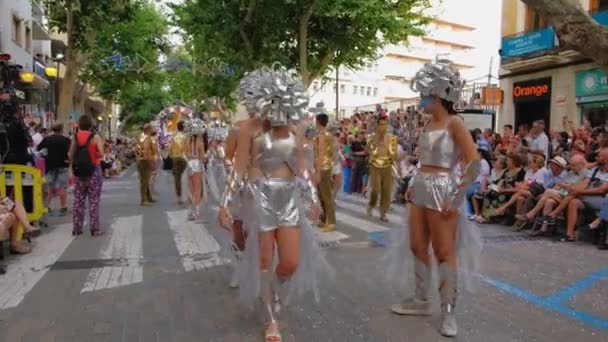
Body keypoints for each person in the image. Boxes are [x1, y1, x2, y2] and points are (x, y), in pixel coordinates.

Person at [218, 67, 328, 342]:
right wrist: (225, 204)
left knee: (290, 262)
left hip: (289, 198)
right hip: (259, 197)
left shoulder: (296, 129)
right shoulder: (248, 129)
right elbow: (239, 167)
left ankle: (271, 293)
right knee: (265, 259)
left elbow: (302, 168)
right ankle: (270, 319)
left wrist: (313, 199)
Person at [388, 59, 481, 338]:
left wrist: (457, 196)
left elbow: (474, 162)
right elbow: (423, 158)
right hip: (420, 187)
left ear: (437, 95)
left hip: (444, 189)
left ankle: (449, 312)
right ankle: (421, 300)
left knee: (443, 251)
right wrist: (413, 181)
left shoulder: (455, 124)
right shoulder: (428, 124)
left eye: (424, 94)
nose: (420, 100)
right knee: (417, 245)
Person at [69, 115, 105, 236]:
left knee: (78, 200)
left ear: (79, 125)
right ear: (90, 125)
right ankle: (94, 228)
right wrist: (93, 153)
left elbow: (70, 154)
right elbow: (101, 153)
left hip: (79, 172)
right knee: (93, 201)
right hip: (94, 170)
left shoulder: (75, 137)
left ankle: (77, 227)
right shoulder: (95, 137)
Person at [366, 114, 398, 222]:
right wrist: (376, 144)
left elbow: (394, 155)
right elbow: (367, 151)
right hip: (375, 165)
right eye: (381, 124)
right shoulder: (371, 137)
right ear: (377, 125)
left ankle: (383, 213)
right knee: (376, 189)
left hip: (387, 166)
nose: (383, 126)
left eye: (385, 124)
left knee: (386, 192)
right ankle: (371, 205)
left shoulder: (392, 139)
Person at [37, 122, 71, 215]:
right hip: (63, 164)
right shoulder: (66, 140)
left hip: (50, 164)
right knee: (62, 186)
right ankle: (63, 206)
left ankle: (47, 206)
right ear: (62, 129)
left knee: (49, 186)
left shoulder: (47, 139)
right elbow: (70, 152)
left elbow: (38, 148)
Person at [315, 113, 336, 232]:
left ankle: (331, 221)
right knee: (321, 195)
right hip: (324, 166)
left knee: (326, 195)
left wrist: (317, 171)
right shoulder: (326, 135)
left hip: (323, 167)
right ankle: (323, 219)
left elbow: (321, 154)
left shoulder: (323, 136)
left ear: (318, 122)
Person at [185, 116, 207, 220]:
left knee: (191, 188)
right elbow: (202, 156)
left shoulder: (187, 141)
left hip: (189, 164)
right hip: (197, 164)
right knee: (198, 189)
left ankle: (190, 210)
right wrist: (205, 158)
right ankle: (195, 210)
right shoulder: (199, 142)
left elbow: (185, 153)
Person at [169, 121, 188, 205]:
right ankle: (188, 196)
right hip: (185, 158)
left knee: (177, 179)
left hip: (176, 158)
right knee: (187, 177)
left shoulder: (174, 137)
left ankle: (178, 198)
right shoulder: (186, 137)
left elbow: (170, 149)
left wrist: (173, 157)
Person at [136, 124, 155, 206]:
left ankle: (148, 197)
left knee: (145, 180)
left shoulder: (140, 137)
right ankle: (143, 200)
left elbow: (136, 149)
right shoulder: (147, 138)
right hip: (145, 161)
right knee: (145, 181)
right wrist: (150, 162)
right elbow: (146, 151)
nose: (153, 130)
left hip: (140, 160)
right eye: (152, 129)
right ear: (149, 130)